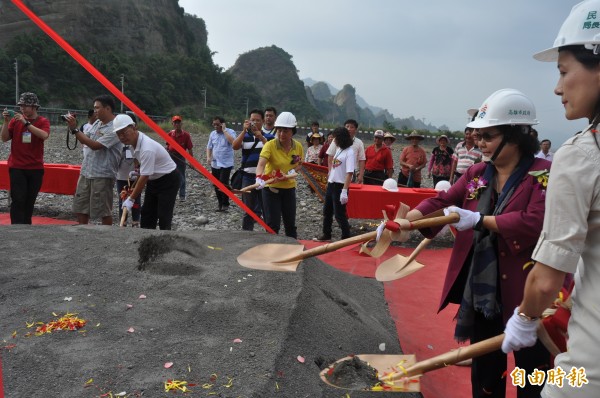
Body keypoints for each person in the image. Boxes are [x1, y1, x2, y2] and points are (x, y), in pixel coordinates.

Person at [398, 89, 551, 398]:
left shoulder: (542, 175)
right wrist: (405, 220)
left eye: (487, 136)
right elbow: (445, 200)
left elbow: (536, 221)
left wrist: (481, 221)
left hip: (529, 289)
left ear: (517, 135)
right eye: (476, 135)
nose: (478, 142)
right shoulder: (478, 173)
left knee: (533, 374)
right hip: (484, 291)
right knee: (485, 372)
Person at [501, 2, 600, 396]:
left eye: (563, 72)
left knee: (550, 383)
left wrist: (524, 318)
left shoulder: (580, 154)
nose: (557, 88)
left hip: (589, 369)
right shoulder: (480, 173)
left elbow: (545, 280)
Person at [113, 114, 180, 230]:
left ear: (134, 128)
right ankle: (147, 242)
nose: (122, 137)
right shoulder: (131, 144)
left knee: (164, 215)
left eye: (124, 132)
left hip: (168, 179)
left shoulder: (147, 148)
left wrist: (131, 199)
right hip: (154, 179)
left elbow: (144, 177)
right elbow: (140, 165)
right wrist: (137, 172)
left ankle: (165, 243)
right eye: (119, 134)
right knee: (147, 214)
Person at [66, 94, 122, 225]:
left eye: (97, 108)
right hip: (86, 171)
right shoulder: (97, 122)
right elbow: (86, 138)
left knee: (103, 210)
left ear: (107, 109)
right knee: (81, 207)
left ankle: (105, 238)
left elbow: (95, 145)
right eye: (94, 108)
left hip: (103, 174)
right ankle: (82, 232)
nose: (95, 111)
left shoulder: (115, 128)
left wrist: (75, 129)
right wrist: (73, 128)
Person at [1, 92, 50, 224]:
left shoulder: (42, 121)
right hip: (17, 166)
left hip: (35, 167)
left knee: (30, 200)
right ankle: (17, 228)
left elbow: (44, 135)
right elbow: (4, 138)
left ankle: (26, 227)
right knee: (18, 199)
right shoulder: (15, 121)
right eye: (21, 105)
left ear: (34, 106)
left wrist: (26, 123)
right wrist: (6, 122)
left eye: (25, 105)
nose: (22, 108)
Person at [254, 111, 304, 238]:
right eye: (279, 130)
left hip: (289, 189)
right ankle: (271, 254)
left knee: (290, 225)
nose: (282, 134)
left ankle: (293, 253)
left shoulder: (298, 147)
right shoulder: (270, 145)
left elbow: (299, 164)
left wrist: (292, 172)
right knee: (272, 225)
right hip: (271, 189)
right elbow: (261, 164)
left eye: (286, 131)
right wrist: (259, 178)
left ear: (292, 131)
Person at [232, 109, 275, 231]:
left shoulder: (269, 137)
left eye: (257, 120)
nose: (254, 122)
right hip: (247, 176)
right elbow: (234, 146)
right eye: (252, 120)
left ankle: (269, 232)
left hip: (264, 178)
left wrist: (261, 137)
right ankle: (247, 234)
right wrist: (243, 130)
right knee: (248, 209)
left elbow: (273, 152)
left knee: (266, 207)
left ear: (262, 122)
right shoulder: (245, 136)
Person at [314, 127, 355, 241]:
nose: (333, 140)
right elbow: (334, 166)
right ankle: (326, 234)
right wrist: (329, 178)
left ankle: (346, 236)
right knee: (327, 211)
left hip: (340, 186)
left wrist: (344, 191)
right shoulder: (339, 149)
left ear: (341, 138)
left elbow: (349, 173)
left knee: (339, 214)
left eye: (335, 138)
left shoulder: (350, 152)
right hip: (332, 184)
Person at [115, 111, 141, 227]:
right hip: (121, 175)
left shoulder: (138, 139)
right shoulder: (120, 140)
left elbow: (140, 158)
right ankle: (123, 220)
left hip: (135, 176)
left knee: (135, 198)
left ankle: (135, 220)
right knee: (122, 198)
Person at [206, 116, 236, 212]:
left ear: (222, 124)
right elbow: (209, 147)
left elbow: (233, 143)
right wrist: (208, 157)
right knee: (216, 184)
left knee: (223, 182)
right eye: (213, 124)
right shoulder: (212, 134)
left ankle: (225, 203)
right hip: (215, 163)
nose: (215, 126)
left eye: (217, 124)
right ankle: (220, 203)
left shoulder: (230, 132)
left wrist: (224, 131)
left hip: (226, 163)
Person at [326, 119, 366, 183]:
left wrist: (361, 175)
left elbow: (362, 159)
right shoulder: (336, 140)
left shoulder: (359, 143)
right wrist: (330, 171)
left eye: (352, 127)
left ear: (356, 130)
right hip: (337, 171)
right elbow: (330, 156)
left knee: (349, 191)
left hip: (352, 172)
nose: (349, 129)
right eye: (347, 126)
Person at [166, 115, 194, 201]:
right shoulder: (170, 134)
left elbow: (190, 149)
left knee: (181, 176)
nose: (177, 124)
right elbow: (167, 145)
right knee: (169, 175)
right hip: (171, 156)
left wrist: (191, 162)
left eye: (178, 122)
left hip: (181, 157)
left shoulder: (186, 135)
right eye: (175, 123)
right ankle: (170, 193)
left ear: (181, 123)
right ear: (172, 124)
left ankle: (182, 195)